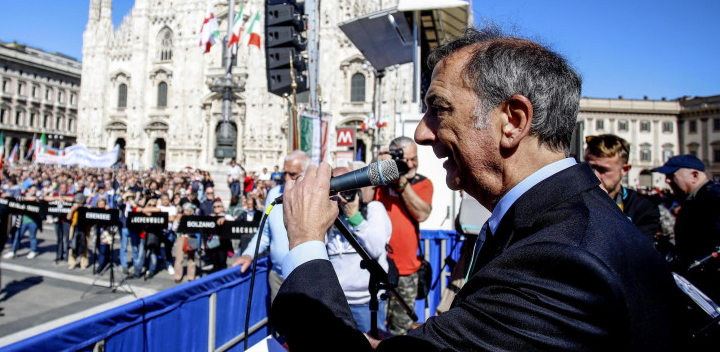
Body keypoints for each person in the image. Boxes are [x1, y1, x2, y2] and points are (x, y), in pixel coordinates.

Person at [272, 27, 677, 350]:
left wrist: (306, 242)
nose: (421, 133)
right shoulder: (556, 221)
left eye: (439, 108)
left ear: (513, 121)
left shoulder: (563, 258)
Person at [232, 150, 309, 304]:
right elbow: (265, 233)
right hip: (278, 277)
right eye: (284, 173)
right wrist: (248, 254)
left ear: (305, 173)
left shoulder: (314, 197)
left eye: (292, 174)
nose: (286, 178)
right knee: (281, 326)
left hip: (307, 279)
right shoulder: (274, 194)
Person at [375, 136, 433, 335]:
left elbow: (422, 213)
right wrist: (376, 167)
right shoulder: (380, 182)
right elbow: (364, 197)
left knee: (401, 331)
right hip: (377, 269)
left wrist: (400, 181)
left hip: (407, 271)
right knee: (373, 329)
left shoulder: (422, 183)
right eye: (404, 159)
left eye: (413, 159)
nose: (410, 164)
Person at [326, 166, 392, 334]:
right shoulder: (331, 216)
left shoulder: (373, 209)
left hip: (366, 302)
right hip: (336, 303)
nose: (342, 196)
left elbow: (376, 249)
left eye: (347, 189)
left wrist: (354, 217)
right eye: (336, 189)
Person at [652, 154, 720, 300]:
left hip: (709, 288)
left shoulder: (711, 199)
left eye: (672, 175)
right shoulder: (696, 199)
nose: (667, 180)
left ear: (694, 175)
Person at [585, 134, 660, 242]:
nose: (594, 176)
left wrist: (601, 204)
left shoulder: (644, 208)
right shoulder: (569, 202)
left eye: (603, 170)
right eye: (589, 168)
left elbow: (635, 252)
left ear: (625, 169)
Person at [172, 202, 199, 282]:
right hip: (181, 237)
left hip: (191, 237)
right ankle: (178, 275)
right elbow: (174, 228)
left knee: (191, 258)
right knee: (179, 258)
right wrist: (177, 220)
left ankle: (191, 276)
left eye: (186, 210)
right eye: (184, 210)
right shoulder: (181, 217)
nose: (185, 212)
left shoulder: (194, 217)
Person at [206, 199, 234, 272]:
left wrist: (224, 219)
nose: (216, 208)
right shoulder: (212, 216)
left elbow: (233, 221)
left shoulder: (227, 216)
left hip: (223, 243)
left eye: (218, 206)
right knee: (214, 263)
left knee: (222, 263)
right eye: (214, 207)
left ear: (222, 208)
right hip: (213, 242)